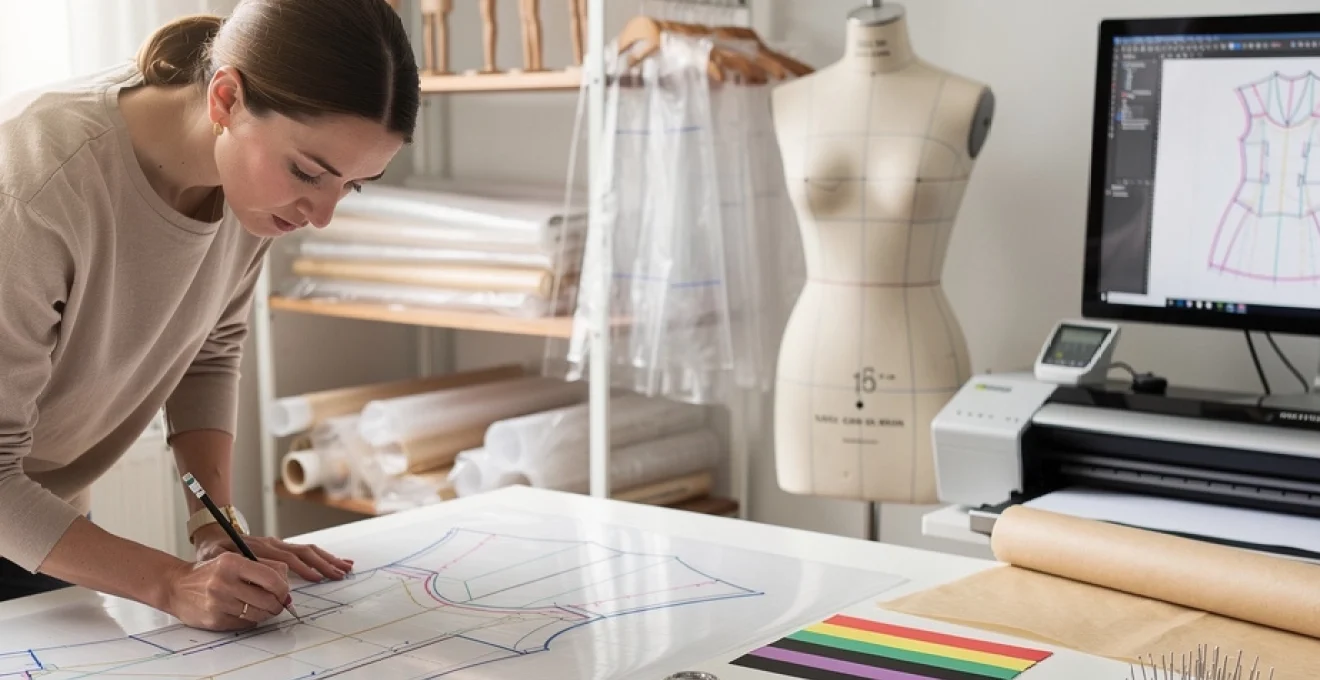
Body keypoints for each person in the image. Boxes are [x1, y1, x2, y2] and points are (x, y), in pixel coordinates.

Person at [0, 0, 420, 631]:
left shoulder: (253, 193)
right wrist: (170, 584)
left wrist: (215, 526)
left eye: (352, 184)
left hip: (38, 518)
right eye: (309, 172)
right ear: (226, 99)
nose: (322, 215)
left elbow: (207, 352)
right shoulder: (33, 190)